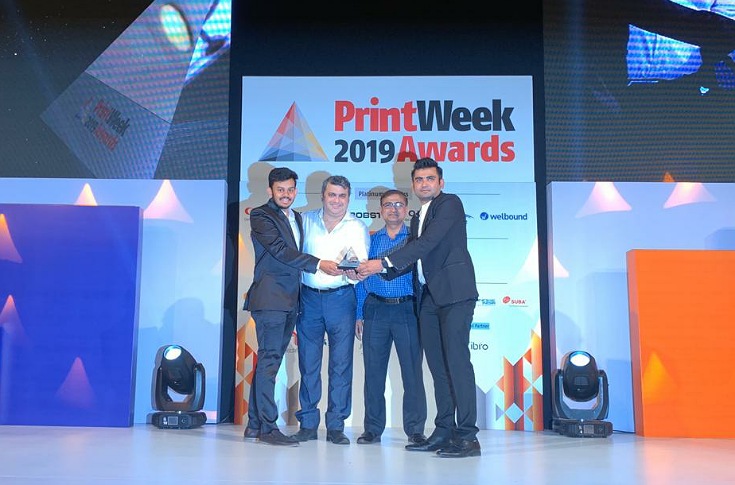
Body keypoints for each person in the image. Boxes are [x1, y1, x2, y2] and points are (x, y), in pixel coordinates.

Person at [357, 157, 480, 458]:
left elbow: (427, 244)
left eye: (430, 178)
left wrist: (381, 263)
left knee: (457, 365)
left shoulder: (449, 204)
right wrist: (368, 271)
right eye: (419, 179)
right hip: (428, 299)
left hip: (454, 295)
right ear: (413, 185)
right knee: (438, 369)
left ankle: (467, 436)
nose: (424, 184)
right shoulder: (418, 218)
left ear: (441, 182)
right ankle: (444, 431)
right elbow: (414, 258)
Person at [242, 167, 341, 446]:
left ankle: (254, 424)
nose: (285, 194)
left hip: (291, 300)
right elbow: (280, 251)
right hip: (270, 300)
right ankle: (268, 428)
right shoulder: (261, 215)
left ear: (296, 191)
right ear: (270, 191)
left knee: (268, 361)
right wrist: (318, 264)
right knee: (270, 362)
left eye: (290, 189)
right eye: (280, 190)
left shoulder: (297, 217)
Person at [290, 175, 369, 445]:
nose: (336, 200)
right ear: (323, 196)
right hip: (308, 299)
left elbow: (361, 265)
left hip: (341, 298)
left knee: (341, 365)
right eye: (332, 195)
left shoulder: (357, 227)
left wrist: (357, 272)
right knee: (308, 363)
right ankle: (308, 424)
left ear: (348, 198)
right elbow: (294, 257)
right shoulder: (304, 221)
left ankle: (336, 425)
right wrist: (318, 264)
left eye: (342, 196)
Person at [354, 189, 427, 446]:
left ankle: (415, 431)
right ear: (380, 210)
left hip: (407, 310)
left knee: (412, 373)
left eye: (398, 204)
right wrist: (359, 313)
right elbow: (360, 278)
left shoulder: (416, 241)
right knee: (373, 373)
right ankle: (372, 429)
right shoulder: (371, 241)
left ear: (406, 209)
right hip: (375, 310)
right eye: (388, 205)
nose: (393, 209)